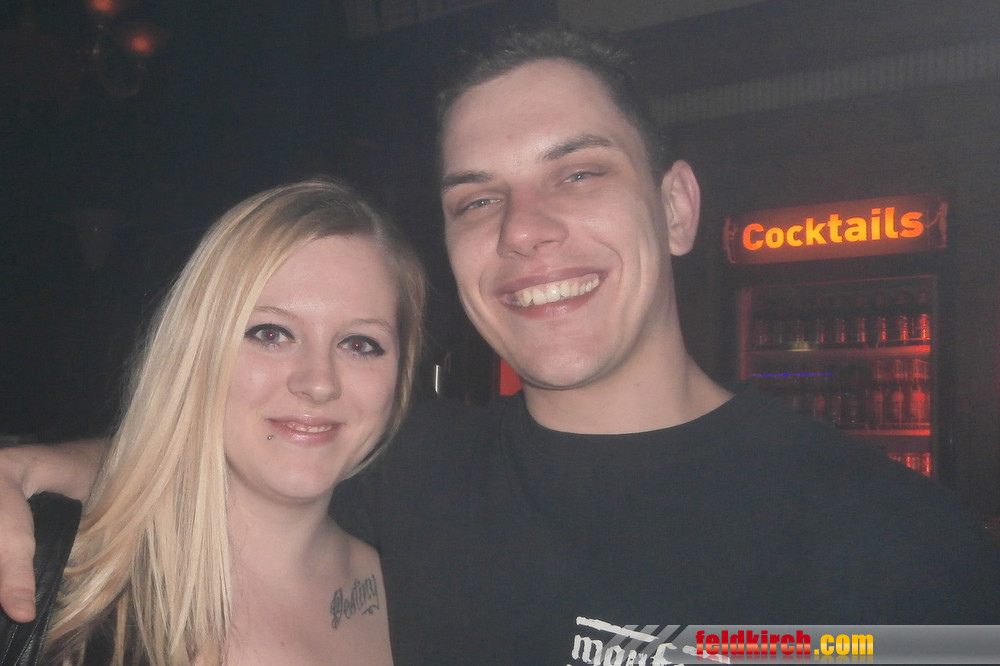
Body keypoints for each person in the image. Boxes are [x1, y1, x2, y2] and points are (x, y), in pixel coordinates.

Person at [2, 27, 999, 665]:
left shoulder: (904, 551)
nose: (523, 230)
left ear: (676, 207)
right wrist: (37, 469)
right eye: (478, 199)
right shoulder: (411, 473)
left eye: (578, 174)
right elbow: (234, 453)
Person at [0, 177, 426, 665]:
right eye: (271, 333)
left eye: (360, 344)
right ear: (196, 352)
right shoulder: (44, 574)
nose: (319, 383)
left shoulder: (418, 596)